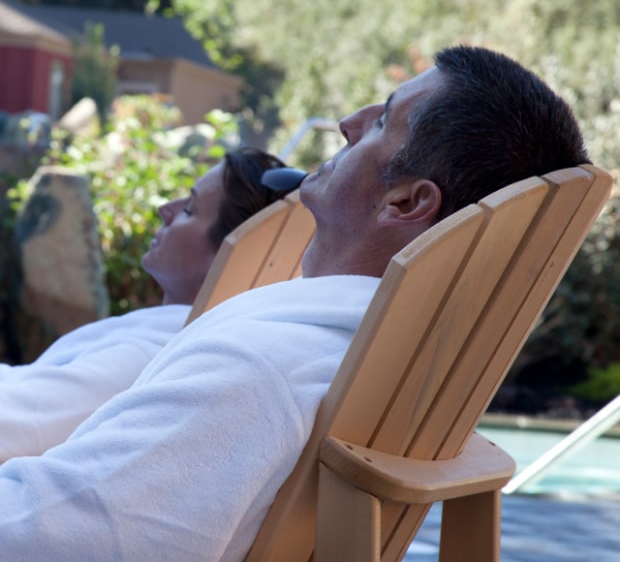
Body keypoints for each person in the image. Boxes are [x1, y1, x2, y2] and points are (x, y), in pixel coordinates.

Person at [0, 46, 590, 561]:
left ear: (407, 203)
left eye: (383, 120)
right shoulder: (365, 359)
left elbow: (54, 535)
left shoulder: (258, 367)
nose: (346, 123)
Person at [0, 147, 290, 463]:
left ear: (230, 253)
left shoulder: (143, 359)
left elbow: (19, 423)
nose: (165, 209)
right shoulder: (168, 335)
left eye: (190, 209)